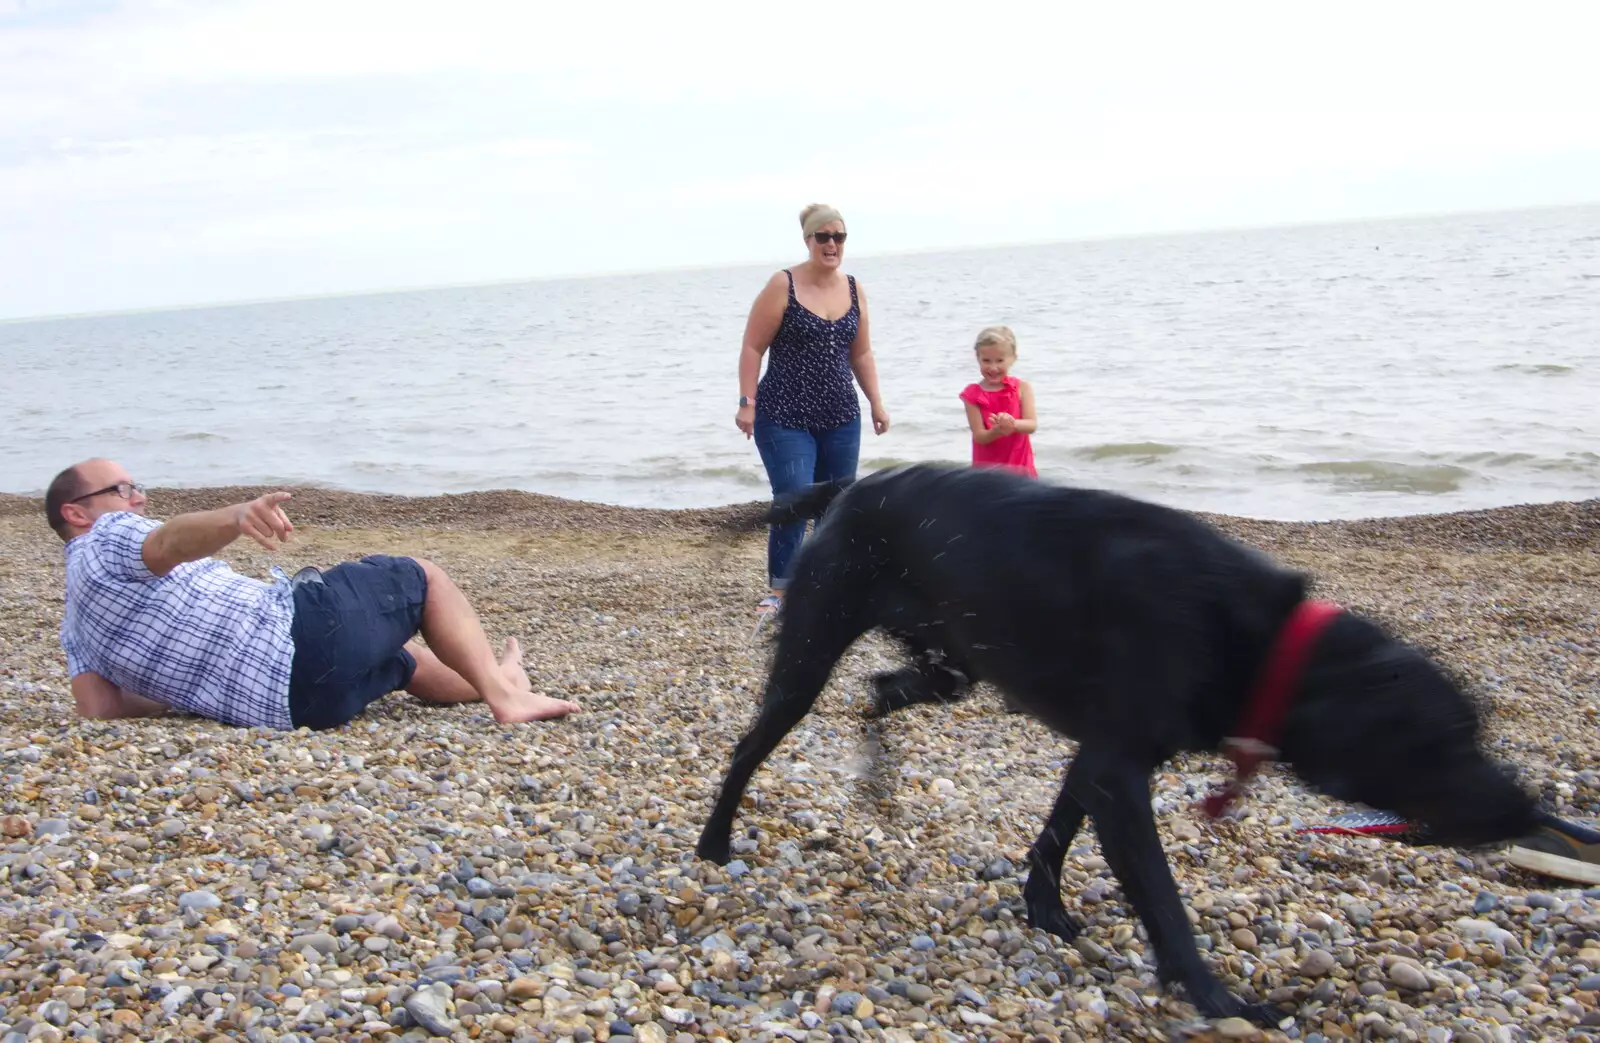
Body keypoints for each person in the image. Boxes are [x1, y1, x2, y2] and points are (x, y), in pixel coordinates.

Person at [44, 458, 581, 730]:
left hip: (298, 709)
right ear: (76, 513)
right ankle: (503, 695)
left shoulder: (75, 628)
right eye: (123, 489)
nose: (139, 498)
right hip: (299, 639)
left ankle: (501, 677)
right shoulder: (106, 539)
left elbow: (102, 708)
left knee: (402, 660)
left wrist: (183, 680)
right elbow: (169, 541)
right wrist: (235, 516)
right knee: (420, 576)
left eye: (137, 488)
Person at [734, 203, 890, 617]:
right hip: (783, 414)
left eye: (839, 237)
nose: (832, 244)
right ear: (808, 240)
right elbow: (753, 347)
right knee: (794, 499)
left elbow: (862, 353)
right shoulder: (782, 284)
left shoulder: (854, 288)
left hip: (840, 414)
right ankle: (782, 590)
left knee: (836, 505)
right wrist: (746, 402)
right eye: (824, 236)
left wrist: (876, 401)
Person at [958, 325, 1038, 478]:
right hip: (987, 472)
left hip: (1021, 469)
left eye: (1000, 361)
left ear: (1013, 358)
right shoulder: (972, 394)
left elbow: (1031, 425)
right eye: (986, 361)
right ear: (978, 358)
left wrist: (1012, 424)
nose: (993, 367)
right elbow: (980, 436)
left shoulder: (1022, 388)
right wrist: (997, 431)